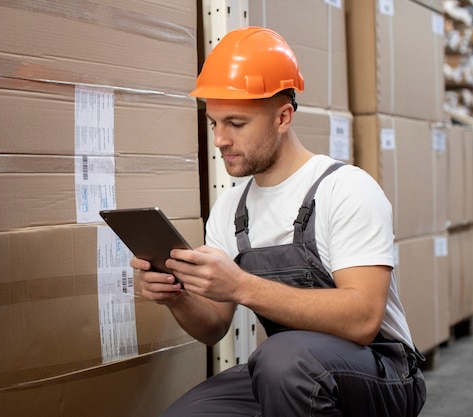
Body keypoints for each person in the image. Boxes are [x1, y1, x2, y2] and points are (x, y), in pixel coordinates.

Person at [130, 26, 427, 416]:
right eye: (214, 123)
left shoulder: (346, 189)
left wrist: (240, 285)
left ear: (283, 117)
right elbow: (213, 327)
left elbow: (363, 320)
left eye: (236, 124)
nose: (220, 139)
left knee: (283, 361)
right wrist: (179, 296)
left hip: (381, 371)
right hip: (288, 371)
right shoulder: (231, 210)